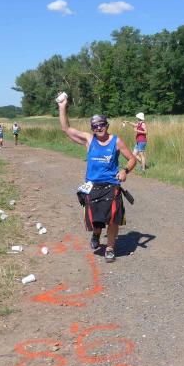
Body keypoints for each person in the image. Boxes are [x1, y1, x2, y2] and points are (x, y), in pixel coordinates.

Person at [57, 94, 136, 260]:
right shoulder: (88, 140)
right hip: (92, 186)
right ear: (92, 128)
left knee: (113, 218)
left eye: (102, 125)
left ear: (107, 125)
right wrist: (62, 106)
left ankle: (110, 247)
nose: (99, 128)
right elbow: (66, 129)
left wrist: (124, 171)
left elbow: (132, 159)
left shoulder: (116, 141)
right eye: (95, 126)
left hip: (111, 185)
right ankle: (96, 233)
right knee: (97, 220)